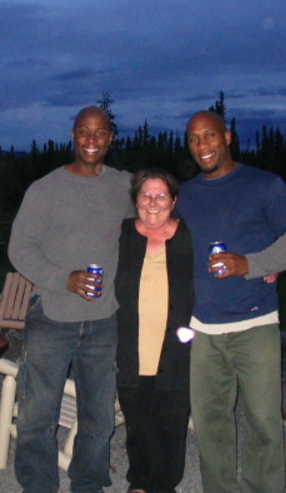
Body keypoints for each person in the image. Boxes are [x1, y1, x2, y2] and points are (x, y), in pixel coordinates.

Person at [175, 111, 286, 493]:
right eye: (194, 139)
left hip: (256, 324)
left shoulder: (264, 185)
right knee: (211, 424)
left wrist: (254, 263)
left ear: (227, 137)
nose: (202, 146)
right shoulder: (184, 195)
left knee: (263, 423)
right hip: (203, 329)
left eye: (209, 136)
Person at [7, 106, 132, 493]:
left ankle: (89, 483)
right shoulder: (45, 190)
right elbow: (20, 249)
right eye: (83, 131)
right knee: (36, 416)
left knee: (99, 417)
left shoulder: (125, 186)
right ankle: (38, 485)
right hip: (52, 317)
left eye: (100, 132)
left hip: (105, 319)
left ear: (111, 138)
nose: (91, 140)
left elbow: (159, 219)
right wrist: (64, 279)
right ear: (73, 135)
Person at [115, 168, 194, 493]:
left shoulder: (190, 235)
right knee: (139, 426)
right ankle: (139, 484)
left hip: (176, 352)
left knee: (171, 428)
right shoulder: (120, 235)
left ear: (174, 201)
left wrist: (264, 270)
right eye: (145, 194)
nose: (152, 202)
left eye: (161, 195)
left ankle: (160, 487)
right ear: (135, 200)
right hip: (131, 350)